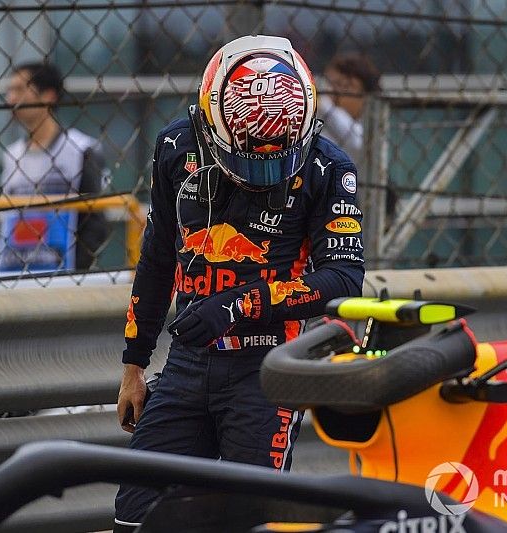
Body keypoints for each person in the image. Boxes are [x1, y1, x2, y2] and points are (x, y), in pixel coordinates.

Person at [114, 35, 365, 530]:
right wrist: (133, 364)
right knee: (137, 516)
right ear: (213, 125)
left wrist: (239, 305)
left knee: (252, 517)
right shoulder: (174, 146)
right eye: (253, 155)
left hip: (268, 371)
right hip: (186, 365)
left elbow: (344, 280)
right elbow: (158, 257)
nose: (265, 170)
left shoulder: (329, 167)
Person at [0, 62, 110, 273]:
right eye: (10, 91)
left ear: (48, 95)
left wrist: (77, 269)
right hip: (14, 271)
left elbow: (96, 221)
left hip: (65, 273)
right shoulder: (12, 155)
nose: (10, 99)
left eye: (20, 90)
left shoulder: (81, 150)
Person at [318, 52, 380, 159]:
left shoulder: (373, 125)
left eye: (344, 86)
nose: (332, 92)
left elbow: (357, 142)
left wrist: (323, 104)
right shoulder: (321, 121)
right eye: (330, 84)